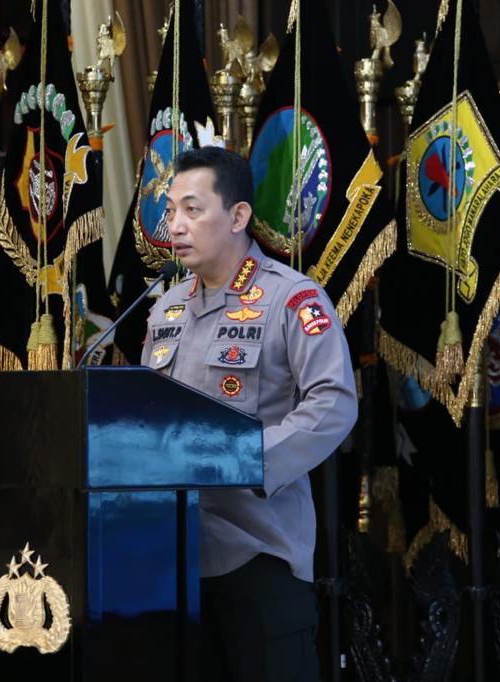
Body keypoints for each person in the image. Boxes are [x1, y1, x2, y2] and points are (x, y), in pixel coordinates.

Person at [141, 146, 358, 681]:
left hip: (259, 555)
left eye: (193, 210)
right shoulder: (165, 309)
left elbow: (334, 402)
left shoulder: (292, 299)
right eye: (171, 211)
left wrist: (245, 460)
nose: (175, 226)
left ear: (238, 216)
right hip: (173, 562)